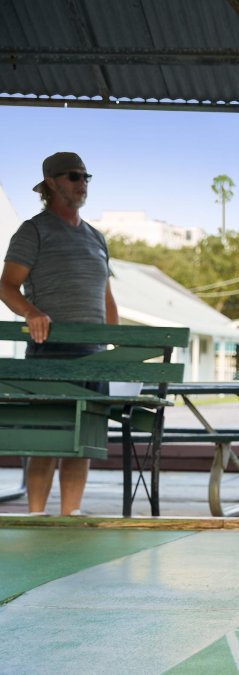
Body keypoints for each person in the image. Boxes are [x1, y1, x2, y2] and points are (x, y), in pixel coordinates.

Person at [1, 152, 119, 516]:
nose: (82, 183)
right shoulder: (33, 230)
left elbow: (106, 297)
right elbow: (6, 286)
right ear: (51, 182)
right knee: (46, 440)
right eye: (74, 176)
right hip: (49, 353)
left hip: (95, 356)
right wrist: (32, 312)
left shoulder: (97, 237)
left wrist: (120, 351)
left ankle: (71, 517)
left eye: (86, 176)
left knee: (83, 443)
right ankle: (36, 517)